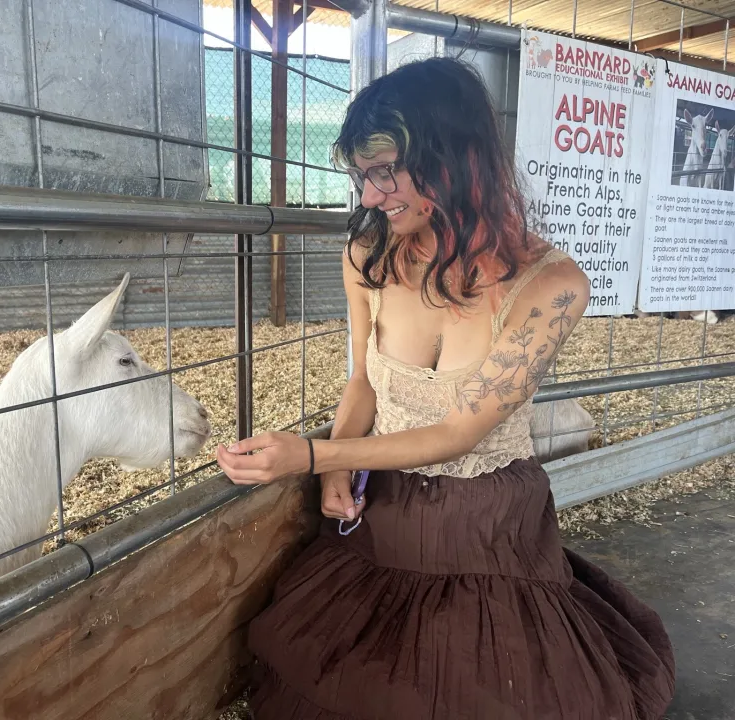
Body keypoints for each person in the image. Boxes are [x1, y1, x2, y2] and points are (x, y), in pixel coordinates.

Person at [216, 57, 675, 719]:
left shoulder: (551, 284)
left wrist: (313, 455)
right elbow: (363, 386)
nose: (369, 197)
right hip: (387, 504)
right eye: (362, 176)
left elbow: (459, 433)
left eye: (384, 173)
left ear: (454, 161)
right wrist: (332, 471)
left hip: (487, 522)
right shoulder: (368, 256)